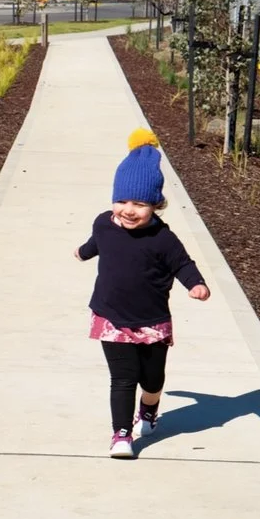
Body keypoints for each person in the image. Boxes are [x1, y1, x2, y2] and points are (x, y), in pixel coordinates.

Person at [77, 129, 209, 459]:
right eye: (122, 201)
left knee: (151, 380)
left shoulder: (163, 239)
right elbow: (96, 243)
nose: (128, 210)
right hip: (111, 317)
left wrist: (196, 283)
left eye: (139, 203)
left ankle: (148, 411)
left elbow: (182, 263)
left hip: (151, 321)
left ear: (156, 204)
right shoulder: (104, 223)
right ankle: (121, 434)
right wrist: (82, 252)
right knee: (123, 378)